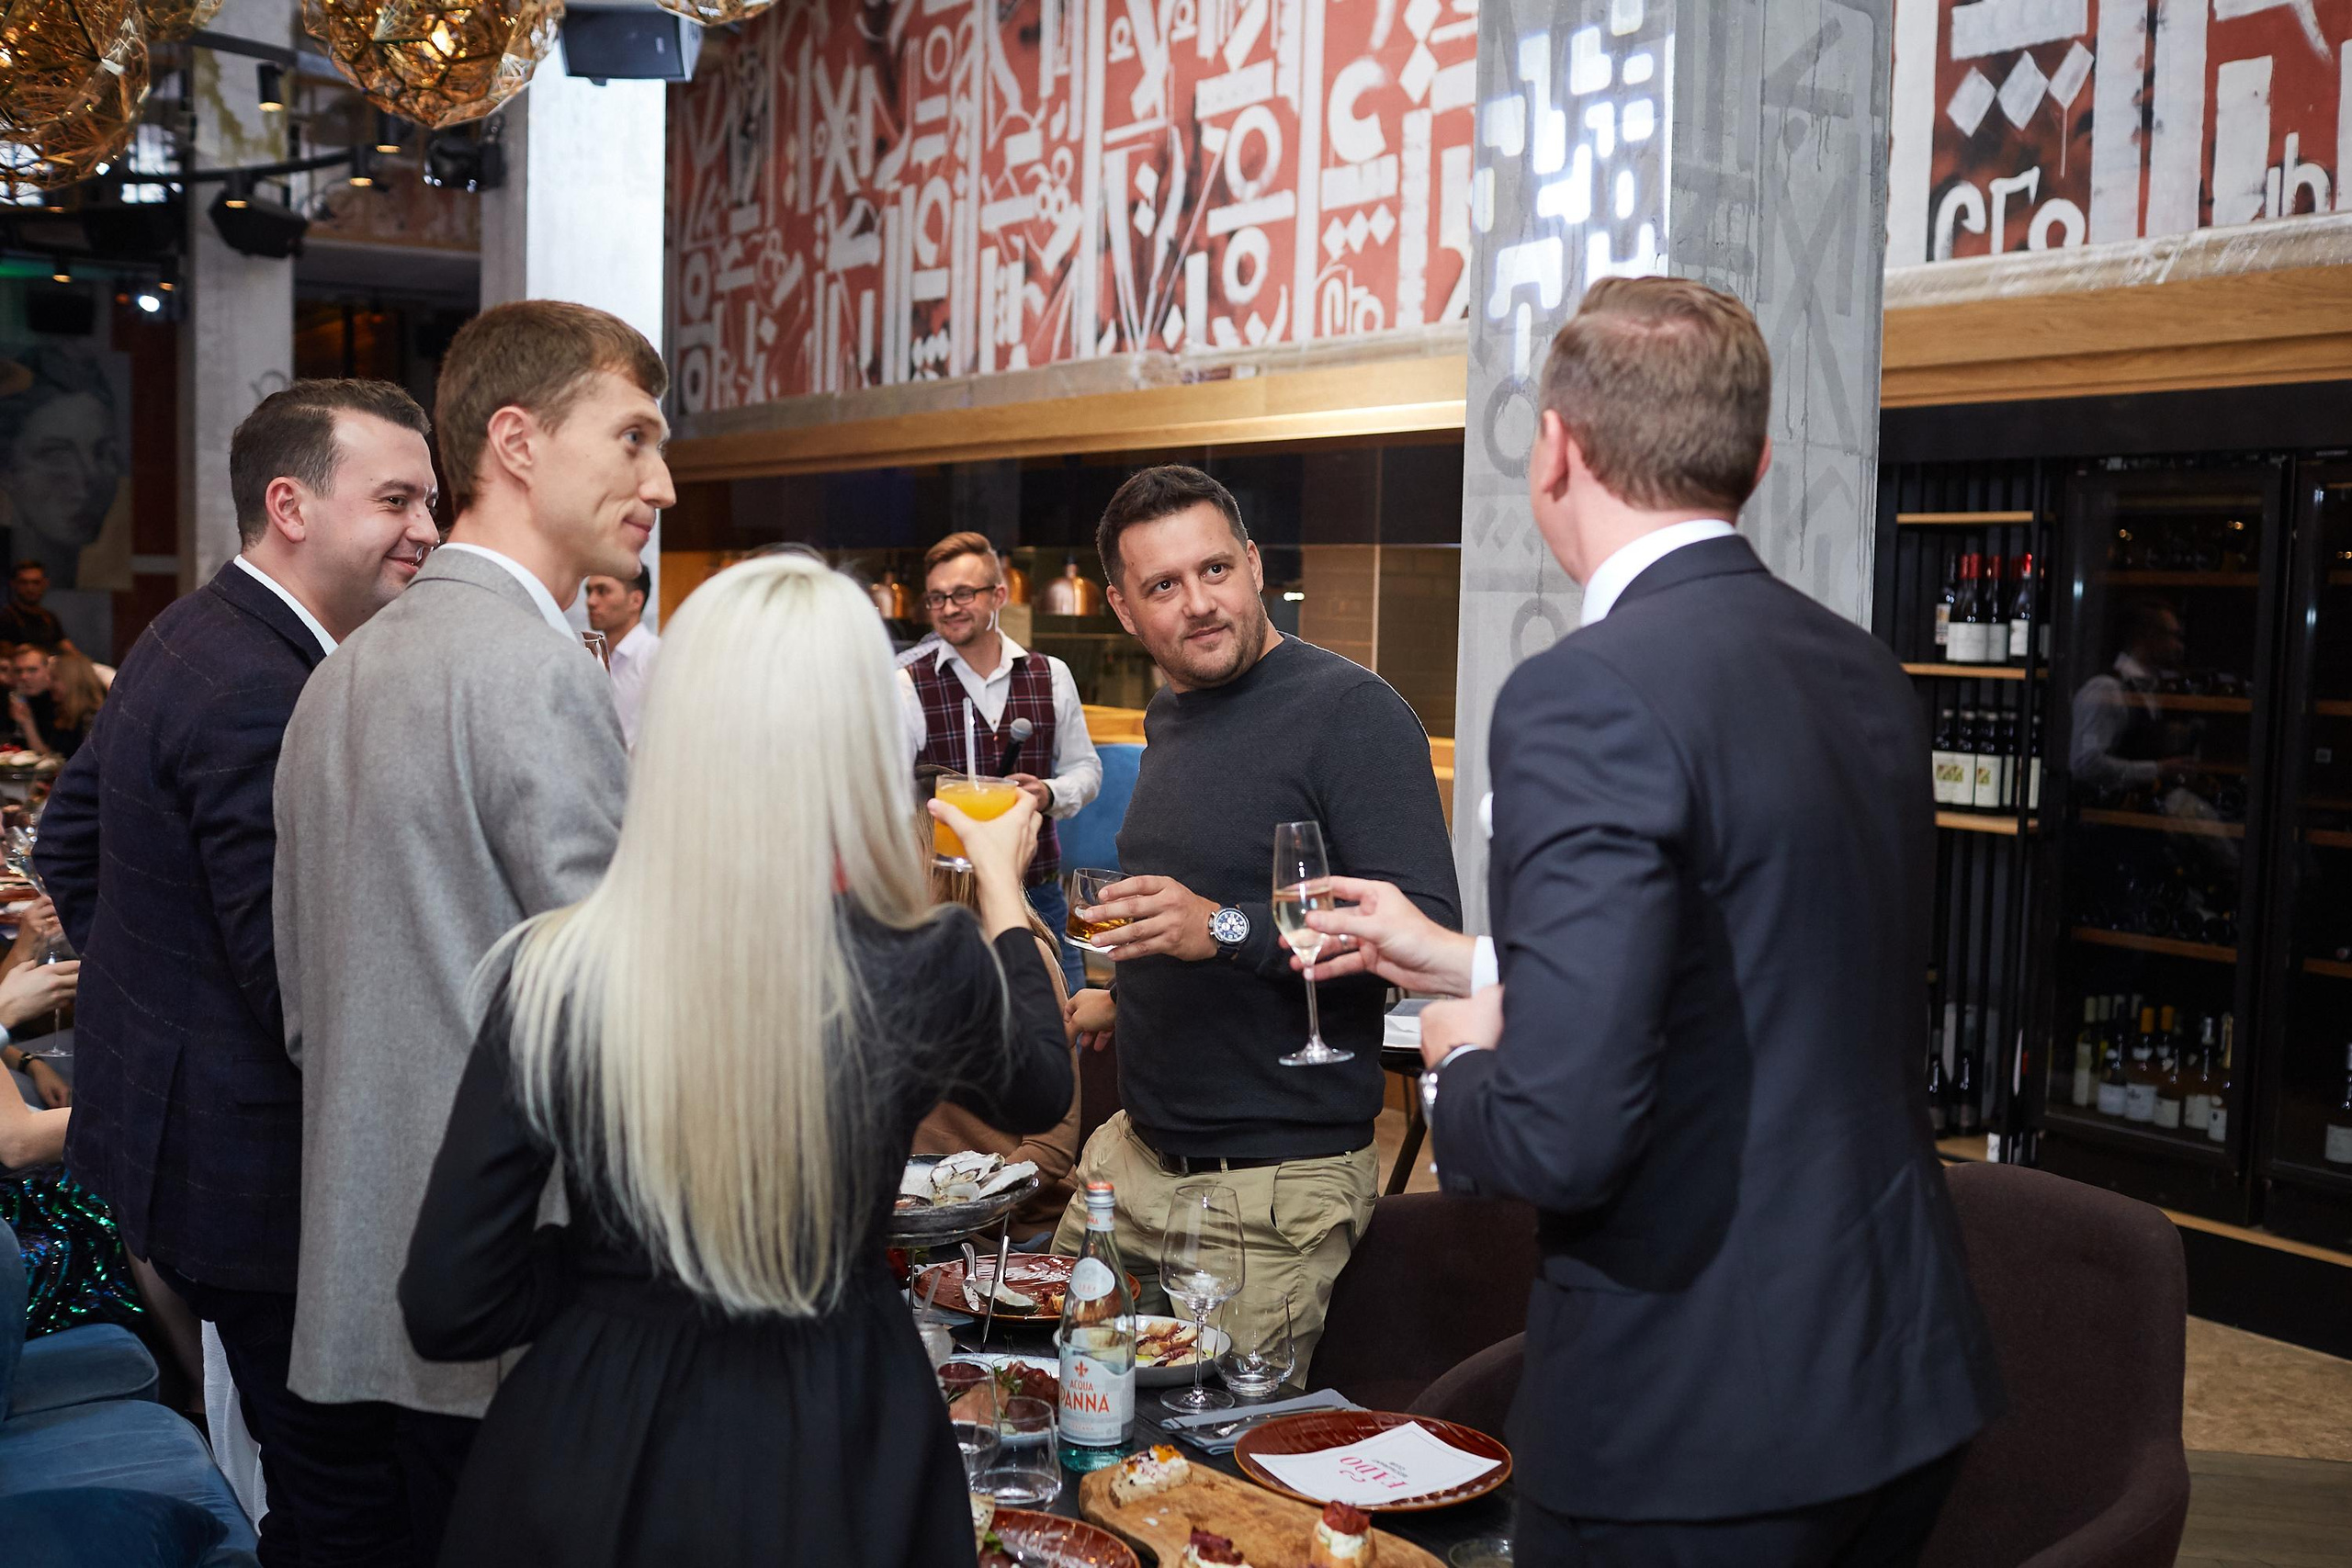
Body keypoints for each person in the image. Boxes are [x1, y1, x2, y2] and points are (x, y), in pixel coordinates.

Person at [1301, 277, 2001, 1566]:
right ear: (1758, 458)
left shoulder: (1587, 694)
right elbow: (1764, 957)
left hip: (1699, 1411)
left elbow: (1564, 1134)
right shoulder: (1865, 671)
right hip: (1894, 1371)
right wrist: (1479, 958)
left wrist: (1457, 1060)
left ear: (1554, 447)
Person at [399, 553, 1073, 1566]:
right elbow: (1041, 1088)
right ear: (863, 739)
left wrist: (610, 1274)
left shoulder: (554, 970)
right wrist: (1000, 894)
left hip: (600, 1441)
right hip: (843, 1431)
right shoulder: (922, 961)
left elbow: (451, 1302)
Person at [274, 299, 669, 1564]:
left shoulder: (339, 667)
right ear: (516, 439)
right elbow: (613, 1007)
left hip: (353, 1272)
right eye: (633, 439)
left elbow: (299, 1005)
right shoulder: (532, 662)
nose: (659, 480)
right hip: (504, 1288)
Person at [33, 378, 440, 1566]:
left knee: (324, 1485)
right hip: (267, 1184)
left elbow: (68, 848)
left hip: (202, 1160)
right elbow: (303, 991)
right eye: (397, 497)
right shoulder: (266, 684)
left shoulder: (191, 627)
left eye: (431, 498)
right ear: (291, 504)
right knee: (350, 1507)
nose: (426, 524)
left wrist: (167, 1024)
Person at [1051, 466, 1459, 1376]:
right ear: (1122, 608)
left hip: (1268, 1193)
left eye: (1214, 570)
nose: (1198, 604)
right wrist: (1124, 989)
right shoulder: (1174, 714)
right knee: (1070, 1418)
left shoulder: (1351, 714)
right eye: (1163, 586)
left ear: (1254, 564)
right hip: (1130, 1156)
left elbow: (1423, 929)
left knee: (1209, 1481)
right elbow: (1194, 896)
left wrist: (1224, 929)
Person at [897, 531, 1102, 989]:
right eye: (937, 598)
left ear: (1000, 595)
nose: (949, 608)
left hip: (1039, 891)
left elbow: (1087, 771)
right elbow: (893, 795)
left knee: (1061, 1016)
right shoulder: (907, 685)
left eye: (963, 593)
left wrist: (1048, 792)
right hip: (947, 900)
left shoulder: (1051, 674)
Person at [909, 861, 1084, 1241]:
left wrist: (950, 1204)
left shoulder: (1020, 962)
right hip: (912, 1231)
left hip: (1011, 1237)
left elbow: (1051, 1148)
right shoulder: (879, 958)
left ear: (947, 868)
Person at [584, 562, 659, 746]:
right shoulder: (591, 660)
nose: (590, 601)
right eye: (589, 591)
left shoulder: (654, 655)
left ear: (635, 601)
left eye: (602, 591)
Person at [39, 648, 105, 760]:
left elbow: (89, 762)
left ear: (72, 681)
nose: (48, 683)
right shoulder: (63, 712)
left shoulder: (91, 718)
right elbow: (50, 757)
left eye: (54, 678)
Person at [0, 560, 70, 651]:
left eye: (36, 582)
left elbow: (67, 647)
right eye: (24, 582)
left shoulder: (49, 618)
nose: (30, 588)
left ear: (45, 584)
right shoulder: (5, 617)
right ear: (13, 584)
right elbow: (4, 651)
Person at [8, 644, 56, 752]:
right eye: (18, 671)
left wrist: (27, 723)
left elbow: (52, 758)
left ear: (48, 670)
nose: (23, 677)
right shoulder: (13, 699)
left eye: (32, 670)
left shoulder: (59, 702)